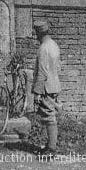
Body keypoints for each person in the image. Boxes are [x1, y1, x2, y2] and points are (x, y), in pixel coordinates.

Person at [32, 19, 61, 157]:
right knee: (50, 115)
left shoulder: (43, 48)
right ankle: (50, 146)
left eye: (36, 33)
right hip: (54, 84)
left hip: (46, 87)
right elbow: (57, 68)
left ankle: (51, 149)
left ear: (39, 33)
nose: (35, 36)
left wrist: (37, 91)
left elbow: (42, 71)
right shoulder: (54, 45)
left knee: (49, 117)